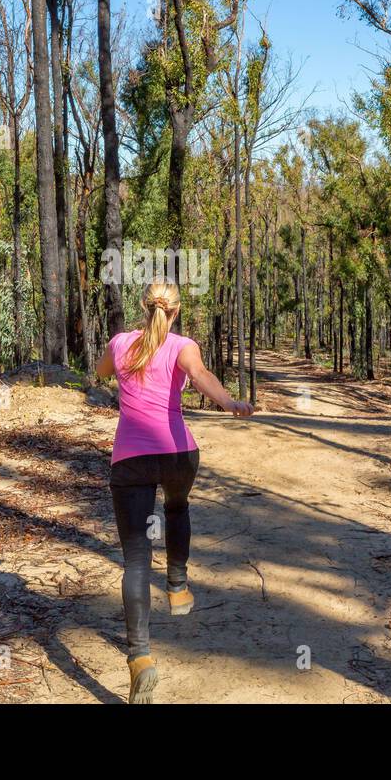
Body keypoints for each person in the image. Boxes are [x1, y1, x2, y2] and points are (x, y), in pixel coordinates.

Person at [96, 278, 254, 703]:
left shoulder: (120, 343)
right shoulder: (183, 346)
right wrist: (230, 403)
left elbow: (100, 372)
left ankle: (141, 657)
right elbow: (200, 375)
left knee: (135, 560)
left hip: (130, 459)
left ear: (143, 307)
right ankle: (179, 585)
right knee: (177, 507)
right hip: (178, 454)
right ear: (176, 311)